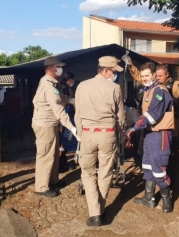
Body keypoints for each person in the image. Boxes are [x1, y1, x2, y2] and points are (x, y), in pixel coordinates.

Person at [122, 54, 179, 182]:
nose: (158, 77)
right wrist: (131, 65)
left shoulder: (175, 85)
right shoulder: (152, 88)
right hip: (154, 123)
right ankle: (154, 183)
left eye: (161, 76)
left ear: (167, 75)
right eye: (157, 75)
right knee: (152, 154)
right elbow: (140, 77)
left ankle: (169, 177)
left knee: (171, 149)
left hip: (171, 122)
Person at [74, 56, 125, 226]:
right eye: (113, 71)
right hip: (108, 134)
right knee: (105, 172)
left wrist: (81, 134)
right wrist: (119, 136)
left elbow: (77, 114)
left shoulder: (82, 86)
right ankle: (100, 210)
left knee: (87, 173)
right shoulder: (116, 88)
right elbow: (121, 118)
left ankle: (94, 212)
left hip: (88, 133)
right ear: (105, 70)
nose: (114, 75)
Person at [125, 62, 174, 213]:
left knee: (159, 167)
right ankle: (149, 197)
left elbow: (152, 115)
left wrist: (133, 128)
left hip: (160, 134)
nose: (145, 78)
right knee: (147, 165)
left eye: (147, 75)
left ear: (154, 75)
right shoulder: (147, 90)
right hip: (148, 133)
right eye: (143, 76)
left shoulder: (160, 91)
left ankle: (167, 198)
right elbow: (141, 108)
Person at [31, 57, 79, 198]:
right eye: (59, 67)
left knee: (53, 154)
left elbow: (62, 99)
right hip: (45, 124)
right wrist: (73, 128)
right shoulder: (48, 85)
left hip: (50, 124)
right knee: (45, 155)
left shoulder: (52, 83)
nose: (61, 69)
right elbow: (59, 110)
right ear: (51, 68)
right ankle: (41, 186)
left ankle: (52, 181)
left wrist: (74, 101)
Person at [59, 71, 77, 172]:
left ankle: (62, 164)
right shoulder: (65, 90)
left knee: (61, 142)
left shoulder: (61, 88)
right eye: (72, 80)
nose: (73, 82)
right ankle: (62, 166)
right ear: (69, 80)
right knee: (63, 142)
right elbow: (65, 105)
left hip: (62, 119)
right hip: (64, 119)